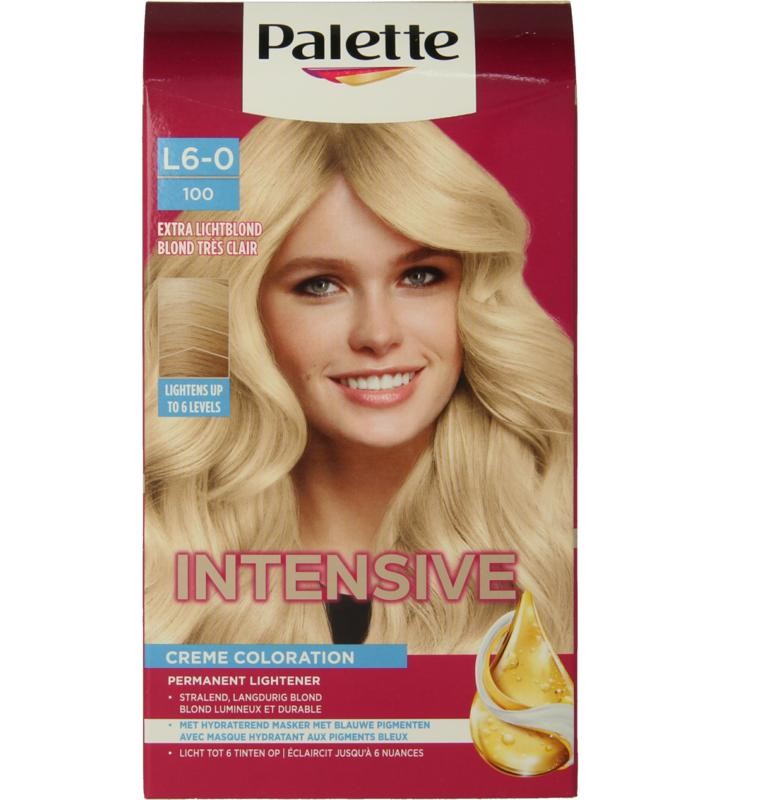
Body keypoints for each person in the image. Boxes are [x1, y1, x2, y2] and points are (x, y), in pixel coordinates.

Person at [144, 118, 573, 653]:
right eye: (321, 285)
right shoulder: (157, 565)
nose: (378, 334)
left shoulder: (554, 548)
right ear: (243, 312)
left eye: (419, 277)